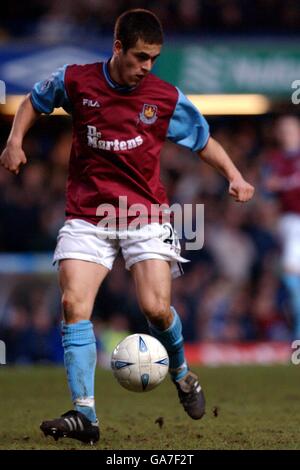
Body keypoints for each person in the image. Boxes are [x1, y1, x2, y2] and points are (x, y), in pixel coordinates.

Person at [0, 9, 254, 445]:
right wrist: (14, 140)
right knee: (73, 304)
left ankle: (181, 374)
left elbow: (203, 140)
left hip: (145, 215)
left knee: (156, 309)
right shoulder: (77, 80)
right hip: (87, 215)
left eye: (153, 58)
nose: (146, 67)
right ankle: (85, 415)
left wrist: (234, 175)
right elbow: (32, 102)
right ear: (118, 47)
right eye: (140, 57)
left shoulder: (163, 97)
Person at [263, 116, 300, 340]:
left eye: (291, 130)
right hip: (290, 221)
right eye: (283, 131)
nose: (287, 134)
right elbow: (267, 190)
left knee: (292, 273)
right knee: (291, 274)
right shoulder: (275, 160)